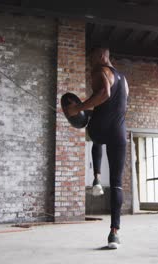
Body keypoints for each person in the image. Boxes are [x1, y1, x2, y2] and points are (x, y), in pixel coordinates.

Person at [66, 46, 128, 249]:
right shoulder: (125, 80)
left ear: (101, 56)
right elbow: (120, 104)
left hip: (100, 129)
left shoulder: (99, 71)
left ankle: (96, 179)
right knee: (117, 183)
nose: (90, 63)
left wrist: (79, 108)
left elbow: (104, 93)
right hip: (119, 133)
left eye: (92, 58)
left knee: (94, 134)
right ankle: (114, 233)